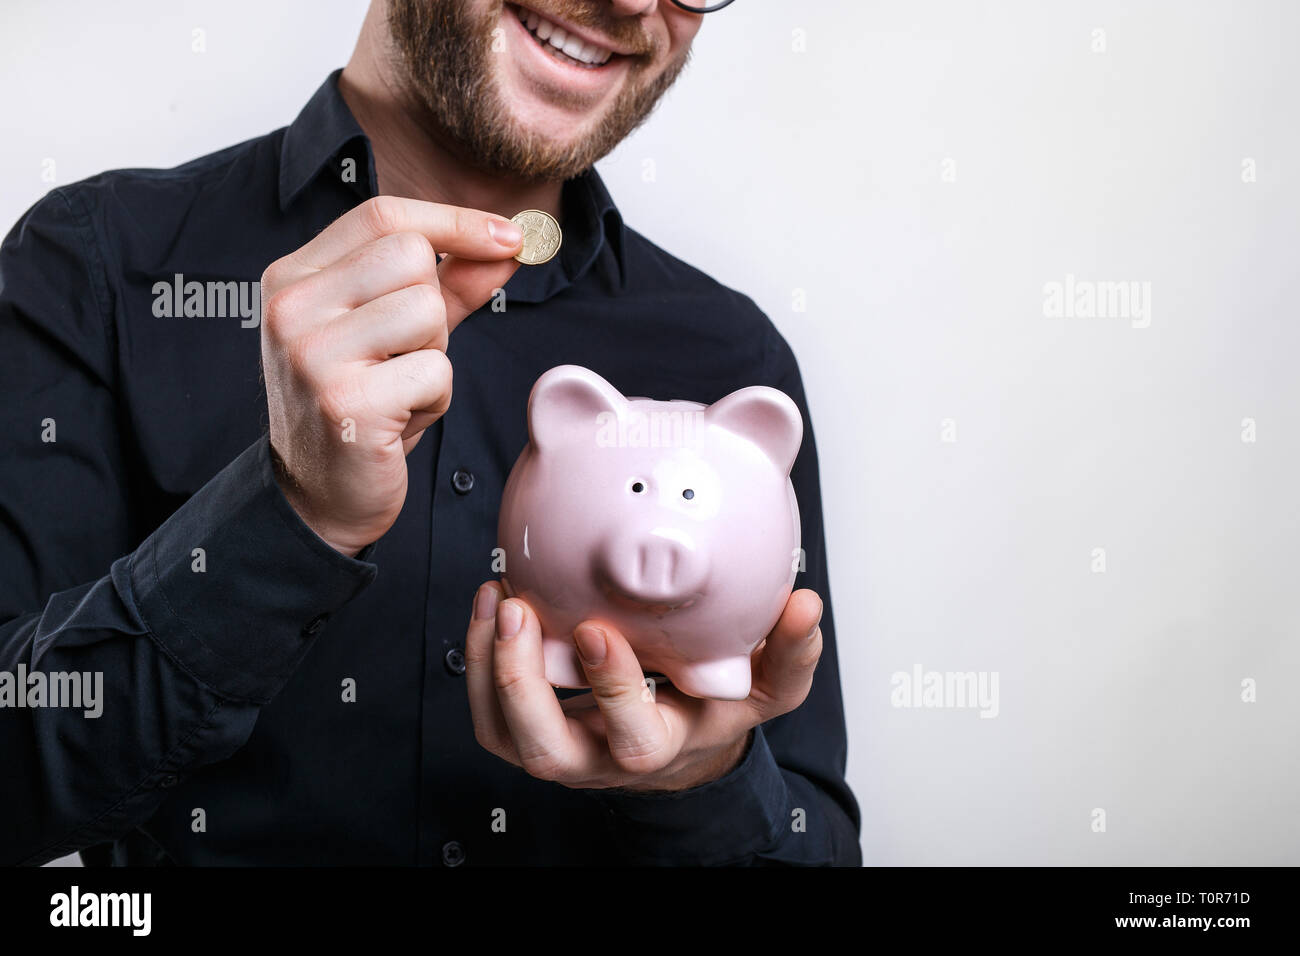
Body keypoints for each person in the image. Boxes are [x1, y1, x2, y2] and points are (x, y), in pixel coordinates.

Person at [0, 0, 860, 866]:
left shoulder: (730, 361)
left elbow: (815, 838)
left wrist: (699, 777)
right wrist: (288, 516)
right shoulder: (98, 265)